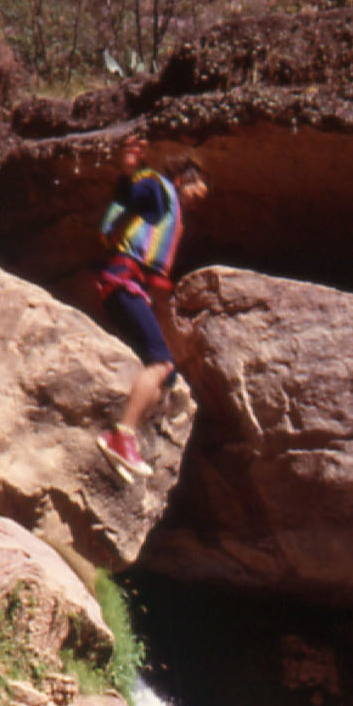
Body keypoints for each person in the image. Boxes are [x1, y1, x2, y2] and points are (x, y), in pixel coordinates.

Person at [94, 139, 208, 485]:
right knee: (161, 364)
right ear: (183, 179)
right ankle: (121, 436)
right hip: (122, 284)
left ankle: (123, 439)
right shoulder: (160, 192)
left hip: (131, 290)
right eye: (197, 192)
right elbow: (133, 191)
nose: (197, 200)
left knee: (167, 379)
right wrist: (129, 167)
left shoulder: (169, 211)